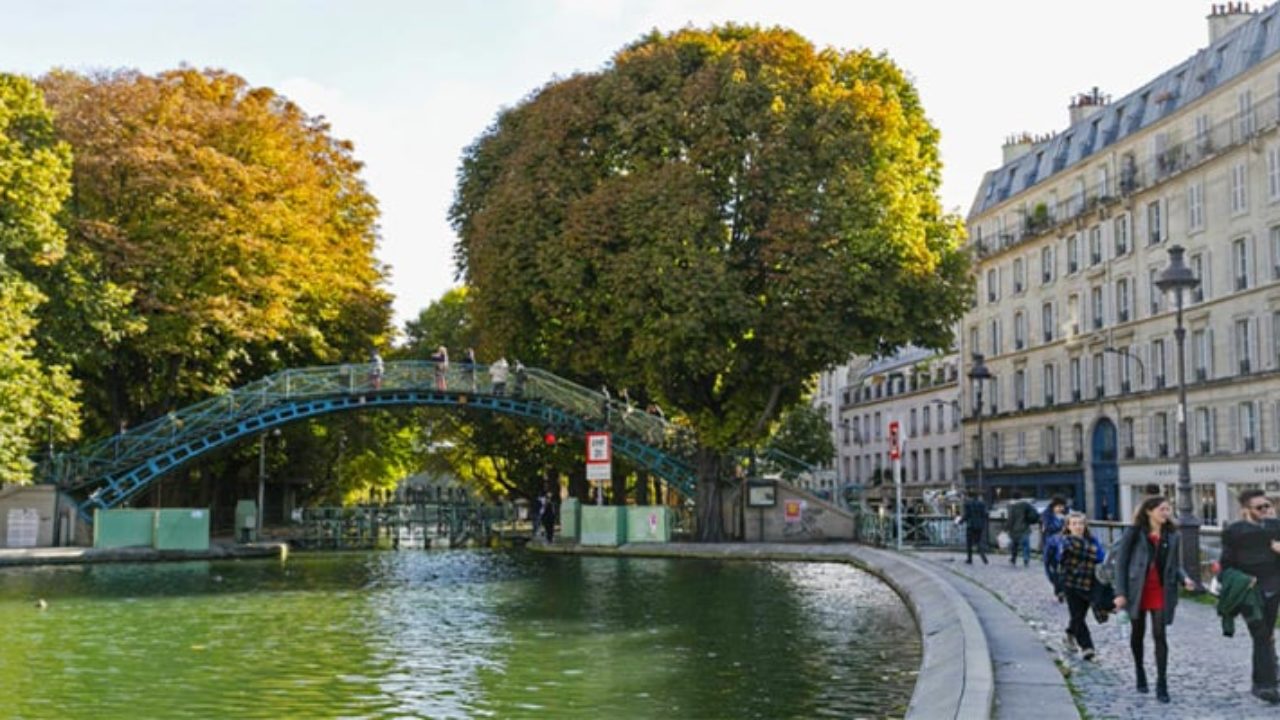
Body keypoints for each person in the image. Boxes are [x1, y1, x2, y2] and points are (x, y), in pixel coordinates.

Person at [1113, 496, 1197, 703]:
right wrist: (1120, 593)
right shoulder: (1133, 533)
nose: (1166, 513)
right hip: (1137, 589)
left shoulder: (1171, 535)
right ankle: (1140, 671)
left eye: (1168, 509)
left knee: (1160, 635)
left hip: (1161, 589)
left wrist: (1184, 578)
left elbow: (1175, 565)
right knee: (1138, 633)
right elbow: (1121, 564)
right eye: (1162, 509)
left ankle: (1162, 683)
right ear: (1149, 511)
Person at [1220, 489, 1280, 705]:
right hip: (1248, 591)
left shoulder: (1276, 527)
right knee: (1261, 633)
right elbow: (1225, 565)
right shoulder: (1234, 532)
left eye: (1267, 505)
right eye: (1259, 507)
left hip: (1273, 589)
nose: (1265, 510)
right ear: (1246, 510)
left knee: (1265, 636)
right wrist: (1242, 579)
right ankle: (1267, 685)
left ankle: (1262, 681)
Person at [1047, 511, 1106, 661]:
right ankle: (1087, 647)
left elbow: (1100, 557)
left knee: (1080, 614)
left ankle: (1070, 633)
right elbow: (1058, 559)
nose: (1078, 526)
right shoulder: (1064, 542)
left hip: (1088, 582)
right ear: (1068, 526)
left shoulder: (1093, 541)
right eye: (1074, 524)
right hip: (1070, 582)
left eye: (1080, 523)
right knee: (1077, 615)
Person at [1007, 492, 1039, 567]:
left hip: (1014, 529)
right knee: (1025, 545)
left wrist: (1007, 528)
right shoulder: (1026, 504)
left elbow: (1010, 519)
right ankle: (1026, 559)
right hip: (1024, 527)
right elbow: (1033, 513)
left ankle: (1013, 558)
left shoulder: (1010, 506)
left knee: (1014, 545)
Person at [957, 490, 989, 565]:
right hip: (979, 526)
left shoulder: (968, 504)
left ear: (969, 496)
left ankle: (969, 559)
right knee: (978, 542)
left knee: (969, 543)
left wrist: (960, 521)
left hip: (971, 525)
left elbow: (967, 515)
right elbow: (984, 514)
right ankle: (983, 557)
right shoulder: (982, 504)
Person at [1041, 497, 1069, 581]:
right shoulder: (1047, 515)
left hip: (1062, 542)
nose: (1061, 509)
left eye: (1062, 507)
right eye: (1059, 507)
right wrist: (1061, 527)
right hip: (1050, 541)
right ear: (1054, 506)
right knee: (1049, 562)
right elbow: (1047, 527)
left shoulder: (1066, 515)